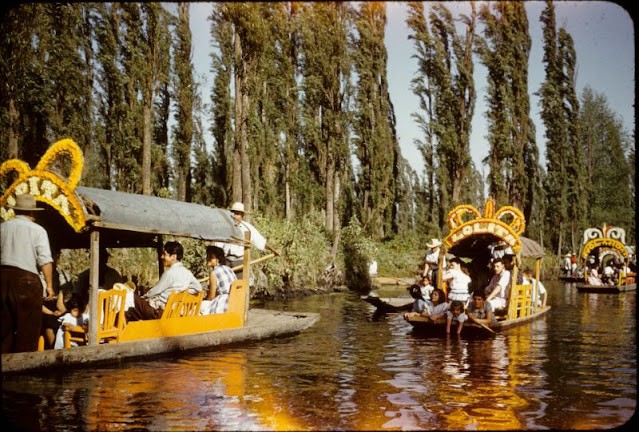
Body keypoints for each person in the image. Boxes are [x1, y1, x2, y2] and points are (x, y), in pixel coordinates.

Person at [1, 194, 55, 353]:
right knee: (28, 330)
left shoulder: (2, 228)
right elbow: (45, 260)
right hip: (26, 280)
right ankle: (25, 371)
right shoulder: (38, 230)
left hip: (2, 278)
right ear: (33, 213)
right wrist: (50, 286)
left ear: (16, 211)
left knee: (3, 329)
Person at [126, 241, 202, 321]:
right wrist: (183, 291)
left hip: (160, 313)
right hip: (173, 313)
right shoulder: (187, 272)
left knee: (129, 297)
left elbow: (154, 292)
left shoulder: (170, 273)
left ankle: (122, 328)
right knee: (134, 306)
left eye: (164, 254)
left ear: (173, 257)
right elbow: (199, 288)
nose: (162, 257)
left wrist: (142, 297)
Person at [216, 202, 281, 277]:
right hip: (226, 262)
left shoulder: (248, 228)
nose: (234, 216)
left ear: (242, 215)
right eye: (233, 213)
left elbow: (261, 242)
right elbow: (218, 245)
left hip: (239, 263)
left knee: (239, 286)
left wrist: (274, 250)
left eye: (237, 214)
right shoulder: (225, 228)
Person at [200, 246, 237, 315]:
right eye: (207, 256)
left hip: (224, 303)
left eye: (210, 257)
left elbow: (211, 297)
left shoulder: (214, 273)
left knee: (200, 306)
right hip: (234, 301)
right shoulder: (229, 269)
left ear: (218, 259)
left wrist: (203, 300)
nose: (207, 258)